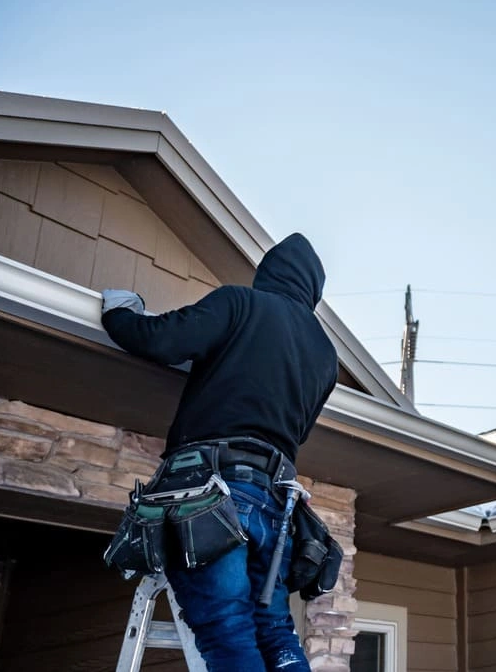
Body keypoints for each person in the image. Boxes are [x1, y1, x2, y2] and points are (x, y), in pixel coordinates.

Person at [101, 232, 338, 672]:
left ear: (267, 273)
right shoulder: (326, 354)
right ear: (313, 291)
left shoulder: (240, 303)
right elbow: (298, 430)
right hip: (275, 504)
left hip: (211, 489)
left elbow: (160, 340)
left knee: (227, 629)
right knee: (274, 631)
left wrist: (120, 311)